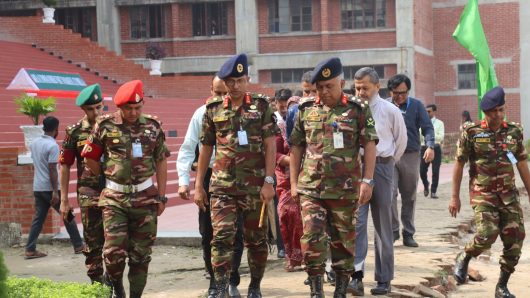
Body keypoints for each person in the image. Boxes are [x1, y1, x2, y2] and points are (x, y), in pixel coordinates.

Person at [290, 57, 379, 297]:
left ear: (342, 82)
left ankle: (340, 291)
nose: (324, 91)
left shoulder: (357, 108)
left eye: (329, 86)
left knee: (343, 242)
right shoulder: (305, 109)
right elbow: (296, 147)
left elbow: (369, 144)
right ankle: (316, 291)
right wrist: (293, 184)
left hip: (345, 189)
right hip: (311, 188)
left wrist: (367, 181)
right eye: (320, 87)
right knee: (311, 240)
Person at [194, 53, 277, 298]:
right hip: (222, 186)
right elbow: (206, 148)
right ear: (225, 83)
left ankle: (255, 286)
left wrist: (269, 181)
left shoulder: (261, 106)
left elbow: (270, 145)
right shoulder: (213, 109)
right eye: (231, 82)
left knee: (256, 241)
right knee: (221, 238)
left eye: (240, 80)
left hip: (255, 187)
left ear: (247, 80)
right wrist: (199, 185)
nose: (236, 86)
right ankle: (220, 288)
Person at [81, 80, 170, 298]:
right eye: (128, 108)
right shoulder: (105, 125)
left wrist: (162, 196)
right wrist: (105, 174)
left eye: (137, 108)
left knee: (141, 256)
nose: (133, 112)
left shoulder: (153, 126)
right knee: (113, 253)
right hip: (115, 198)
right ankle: (117, 287)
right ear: (120, 107)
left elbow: (161, 160)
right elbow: (89, 156)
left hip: (145, 198)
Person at [449, 86, 530, 298]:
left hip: (508, 195)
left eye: (501, 110)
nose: (498, 115)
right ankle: (465, 256)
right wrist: (454, 197)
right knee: (486, 234)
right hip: (483, 193)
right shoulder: (472, 131)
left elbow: (521, 163)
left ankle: (501, 286)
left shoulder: (514, 131)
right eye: (494, 111)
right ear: (485, 111)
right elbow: (459, 163)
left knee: (515, 240)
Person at [177, 75, 244, 298]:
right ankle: (215, 281)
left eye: (225, 92)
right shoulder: (202, 113)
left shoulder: (244, 111)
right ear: (210, 91)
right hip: (209, 178)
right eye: (217, 93)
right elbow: (188, 148)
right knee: (209, 234)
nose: (222, 97)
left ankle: (232, 280)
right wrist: (185, 182)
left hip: (239, 178)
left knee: (237, 233)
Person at [348, 67, 407, 296]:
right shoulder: (351, 111)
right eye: (357, 87)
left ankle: (383, 279)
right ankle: (356, 275)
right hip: (357, 169)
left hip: (383, 167)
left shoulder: (390, 111)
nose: (361, 92)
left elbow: (400, 142)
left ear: (377, 87)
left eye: (365, 87)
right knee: (357, 223)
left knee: (383, 224)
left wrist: (387, 164)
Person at [59, 84, 105, 284]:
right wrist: (63, 200)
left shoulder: (113, 128)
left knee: (116, 242)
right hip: (88, 193)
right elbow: (65, 165)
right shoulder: (75, 132)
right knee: (93, 241)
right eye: (90, 109)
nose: (96, 112)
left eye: (99, 107)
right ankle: (97, 284)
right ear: (83, 110)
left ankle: (114, 281)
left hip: (113, 191)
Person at [25, 116, 85, 259]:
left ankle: (30, 249)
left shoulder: (34, 143)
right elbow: (52, 168)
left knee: (38, 219)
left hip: (38, 187)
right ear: (56, 129)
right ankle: (78, 245)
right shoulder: (52, 146)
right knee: (68, 214)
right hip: (50, 188)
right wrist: (55, 192)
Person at [387, 74, 435, 247]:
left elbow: (427, 127)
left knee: (409, 195)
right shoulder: (383, 106)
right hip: (388, 157)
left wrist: (430, 146)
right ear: (390, 91)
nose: (400, 96)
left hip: (410, 155)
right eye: (396, 93)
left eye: (404, 93)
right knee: (389, 194)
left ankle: (408, 233)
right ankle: (392, 231)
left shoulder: (416, 106)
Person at [275, 95, 303, 272]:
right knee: (286, 216)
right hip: (285, 181)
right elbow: (274, 154)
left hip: (306, 178)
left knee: (304, 219)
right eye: (289, 108)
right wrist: (292, 160)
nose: (291, 112)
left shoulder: (307, 127)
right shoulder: (279, 129)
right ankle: (291, 256)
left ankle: (307, 256)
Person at [420, 104, 445, 199]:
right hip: (423, 148)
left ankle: (433, 191)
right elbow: (419, 136)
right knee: (422, 171)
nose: (427, 113)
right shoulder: (422, 122)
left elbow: (441, 137)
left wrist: (429, 135)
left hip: (435, 148)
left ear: (434, 112)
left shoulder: (440, 123)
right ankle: (426, 185)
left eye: (429, 111)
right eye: (426, 111)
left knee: (435, 171)